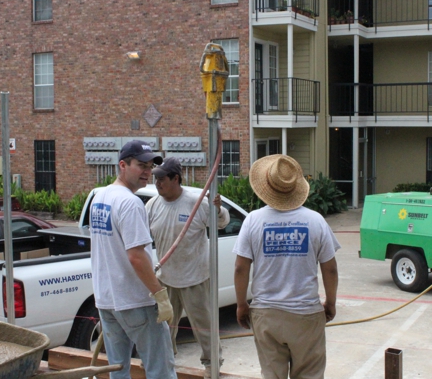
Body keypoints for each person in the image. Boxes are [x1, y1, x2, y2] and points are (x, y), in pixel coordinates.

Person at [233, 154, 340, 379]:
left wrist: (242, 304)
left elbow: (241, 268)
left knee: (272, 374)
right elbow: (329, 268)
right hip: (306, 315)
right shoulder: (315, 220)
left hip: (266, 313)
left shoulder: (253, 220)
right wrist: (330, 302)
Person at [89, 140, 177, 379]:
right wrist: (160, 295)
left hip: (108, 301)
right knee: (161, 369)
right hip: (135, 301)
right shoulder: (130, 203)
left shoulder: (100, 197)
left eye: (150, 166)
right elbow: (137, 257)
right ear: (123, 165)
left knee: (118, 370)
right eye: (141, 165)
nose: (148, 172)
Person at [145, 156, 230, 378]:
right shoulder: (152, 205)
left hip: (195, 278)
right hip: (166, 279)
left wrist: (219, 209)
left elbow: (222, 223)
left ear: (176, 178)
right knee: (164, 328)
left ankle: (212, 364)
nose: (157, 183)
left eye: (162, 179)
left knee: (204, 327)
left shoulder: (197, 203)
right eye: (156, 179)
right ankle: (166, 362)